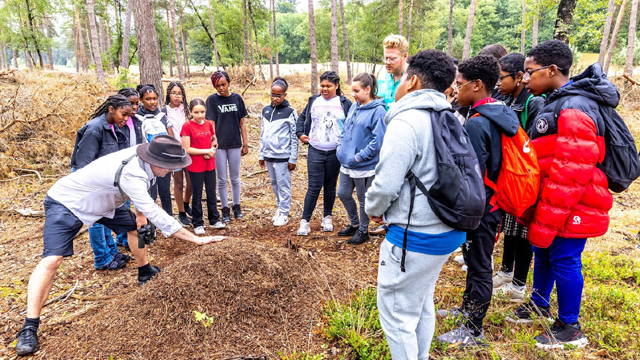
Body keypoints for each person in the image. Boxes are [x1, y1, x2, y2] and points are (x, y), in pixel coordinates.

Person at [14, 135, 224, 356]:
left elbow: (145, 195)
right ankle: (29, 327)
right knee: (52, 261)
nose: (172, 171)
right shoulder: (132, 172)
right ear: (157, 162)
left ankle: (145, 271)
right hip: (69, 203)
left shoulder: (149, 158)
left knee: (136, 228)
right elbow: (152, 208)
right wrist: (195, 239)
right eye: (171, 167)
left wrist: (140, 216)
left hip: (106, 203)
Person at [507, 40, 615, 350]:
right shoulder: (557, 101)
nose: (526, 80)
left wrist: (551, 215)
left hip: (572, 201)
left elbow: (573, 171)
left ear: (552, 70)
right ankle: (540, 303)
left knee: (565, 259)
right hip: (553, 198)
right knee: (542, 250)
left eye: (530, 73)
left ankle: (570, 327)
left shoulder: (575, 106)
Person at [364, 49, 460, 360]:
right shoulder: (450, 116)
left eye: (402, 77)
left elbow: (385, 184)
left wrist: (373, 209)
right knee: (420, 302)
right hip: (448, 229)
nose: (399, 83)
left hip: (416, 235)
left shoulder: (406, 122)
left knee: (396, 316)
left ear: (413, 80)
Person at [436, 54, 519, 346]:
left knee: (481, 264)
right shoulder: (497, 111)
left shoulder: (477, 123)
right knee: (474, 260)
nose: (455, 90)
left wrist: (467, 211)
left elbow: (473, 173)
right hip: (492, 203)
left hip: (482, 207)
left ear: (478, 84)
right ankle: (466, 310)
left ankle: (473, 328)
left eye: (460, 84)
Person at [492, 53, 544, 301]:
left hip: (526, 176)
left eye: (501, 77)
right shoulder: (508, 98)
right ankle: (506, 271)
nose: (498, 83)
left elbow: (531, 143)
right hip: (512, 173)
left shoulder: (534, 103)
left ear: (519, 77)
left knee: (522, 231)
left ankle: (519, 284)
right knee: (510, 228)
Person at [69, 94, 132, 271]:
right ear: (111, 109)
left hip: (102, 179)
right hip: (88, 180)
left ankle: (111, 251)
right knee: (96, 220)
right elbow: (83, 164)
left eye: (128, 115)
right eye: (123, 114)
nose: (126, 119)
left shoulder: (112, 126)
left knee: (107, 216)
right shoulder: (94, 129)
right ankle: (102, 258)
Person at [296, 70, 352, 236]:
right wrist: (300, 133)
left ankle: (327, 216)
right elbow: (301, 118)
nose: (325, 89)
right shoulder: (314, 101)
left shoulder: (344, 102)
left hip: (335, 152)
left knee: (330, 186)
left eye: (328, 86)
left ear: (336, 86)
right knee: (313, 187)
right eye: (322, 85)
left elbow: (350, 124)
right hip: (316, 150)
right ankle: (304, 221)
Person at [336, 73, 386, 245]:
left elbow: (377, 140)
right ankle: (354, 223)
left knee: (363, 197)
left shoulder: (378, 110)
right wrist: (340, 148)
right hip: (346, 162)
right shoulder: (354, 107)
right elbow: (345, 129)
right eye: (352, 91)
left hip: (363, 164)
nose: (353, 94)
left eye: (356, 91)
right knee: (342, 193)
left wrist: (359, 157)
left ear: (368, 89)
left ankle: (363, 230)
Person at [205, 71, 249, 222]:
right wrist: (213, 142)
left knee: (235, 178)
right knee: (222, 179)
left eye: (223, 84)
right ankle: (225, 208)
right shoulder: (212, 100)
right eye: (217, 86)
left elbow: (242, 122)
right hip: (219, 146)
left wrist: (245, 143)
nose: (221, 88)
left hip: (235, 143)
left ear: (229, 83)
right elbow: (211, 123)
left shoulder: (237, 98)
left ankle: (236, 206)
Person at [258, 77, 299, 227]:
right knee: (274, 184)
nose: (275, 98)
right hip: (269, 155)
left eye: (278, 95)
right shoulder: (266, 110)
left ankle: (284, 212)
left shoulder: (290, 112)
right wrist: (261, 154)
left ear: (285, 95)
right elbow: (263, 134)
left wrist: (293, 158)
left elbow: (294, 137)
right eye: (272, 94)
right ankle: (280, 208)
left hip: (282, 156)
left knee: (283, 185)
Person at [181, 99, 225, 234]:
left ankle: (214, 220)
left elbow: (214, 140)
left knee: (211, 192)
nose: (200, 115)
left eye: (202, 112)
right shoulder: (187, 126)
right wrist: (207, 151)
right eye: (196, 112)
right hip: (195, 165)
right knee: (197, 194)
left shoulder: (208, 124)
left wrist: (212, 150)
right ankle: (197, 222)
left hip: (209, 164)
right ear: (190, 112)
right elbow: (186, 148)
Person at [136, 84, 173, 217]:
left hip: (163, 159)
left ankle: (169, 219)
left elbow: (171, 137)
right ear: (141, 100)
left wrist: (171, 158)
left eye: (154, 98)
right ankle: (149, 224)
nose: (152, 102)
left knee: (165, 191)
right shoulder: (137, 118)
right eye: (148, 99)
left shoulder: (162, 116)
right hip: (146, 161)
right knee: (149, 193)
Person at [114, 87, 143, 251]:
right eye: (130, 104)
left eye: (136, 104)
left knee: (129, 201)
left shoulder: (138, 121)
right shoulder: (118, 123)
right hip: (120, 167)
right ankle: (122, 236)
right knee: (121, 204)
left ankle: (127, 236)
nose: (134, 107)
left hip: (133, 165)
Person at [164, 82, 193, 227]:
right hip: (173, 152)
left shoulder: (187, 110)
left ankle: (186, 203)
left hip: (188, 150)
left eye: (179, 93)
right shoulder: (164, 112)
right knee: (178, 182)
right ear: (169, 94)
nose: (177, 96)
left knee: (191, 181)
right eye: (174, 93)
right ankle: (181, 212)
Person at [376, 34, 409, 110]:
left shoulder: (413, 79)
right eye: (385, 58)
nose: (387, 62)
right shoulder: (382, 75)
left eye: (392, 58)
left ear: (404, 56)